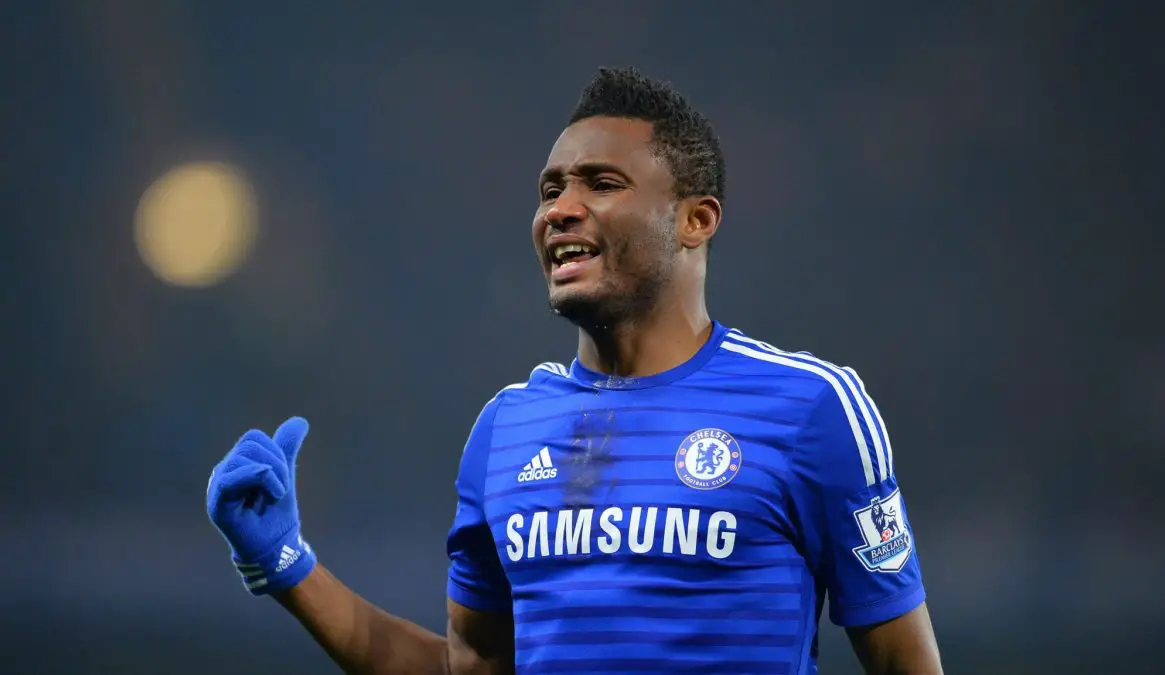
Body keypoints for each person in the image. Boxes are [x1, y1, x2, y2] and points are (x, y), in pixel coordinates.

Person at [206, 66, 943, 674]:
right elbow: (471, 666)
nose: (560, 208)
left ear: (695, 220)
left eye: (601, 183)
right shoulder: (506, 428)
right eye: (551, 189)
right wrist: (291, 570)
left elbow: (902, 661)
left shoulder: (809, 407)